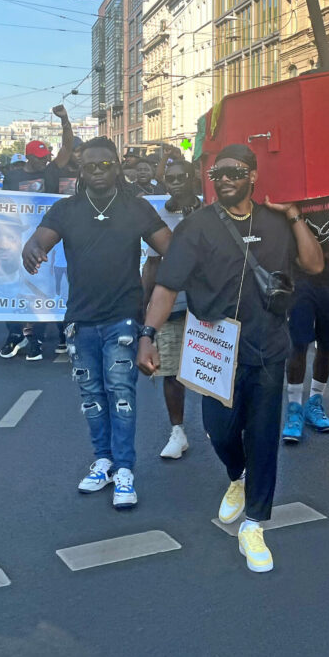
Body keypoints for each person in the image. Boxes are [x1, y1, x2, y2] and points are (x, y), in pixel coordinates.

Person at [139, 144, 323, 572]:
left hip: (269, 344)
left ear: (253, 176)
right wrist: (147, 335)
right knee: (219, 430)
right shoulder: (197, 227)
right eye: (217, 174)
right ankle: (237, 475)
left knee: (263, 435)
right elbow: (167, 285)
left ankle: (255, 523)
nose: (223, 180)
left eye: (234, 172)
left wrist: (295, 215)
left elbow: (313, 265)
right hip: (214, 347)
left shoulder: (278, 221)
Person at [23, 137, 171, 510]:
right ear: (81, 170)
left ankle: (124, 470)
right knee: (92, 397)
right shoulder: (66, 209)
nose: (98, 172)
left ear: (117, 167)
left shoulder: (135, 208)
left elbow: (173, 248)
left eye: (106, 165)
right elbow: (41, 238)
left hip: (123, 316)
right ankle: (103, 461)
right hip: (80, 319)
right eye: (91, 166)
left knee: (121, 395)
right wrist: (33, 247)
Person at [139, 157, 201, 459]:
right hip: (172, 304)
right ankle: (177, 432)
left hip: (208, 304)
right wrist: (145, 304)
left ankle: (221, 427)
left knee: (214, 369)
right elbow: (152, 263)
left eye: (181, 177)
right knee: (171, 372)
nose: (175, 183)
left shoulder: (209, 208)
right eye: (170, 178)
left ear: (194, 178)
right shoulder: (160, 215)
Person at [282, 192, 329, 443]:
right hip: (300, 278)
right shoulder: (294, 186)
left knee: (327, 343)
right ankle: (294, 408)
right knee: (298, 342)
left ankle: (315, 402)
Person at [1, 128, 73, 360]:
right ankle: (16, 334)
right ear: (28, 157)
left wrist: (64, 120)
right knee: (16, 286)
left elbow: (68, 147)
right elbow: (3, 205)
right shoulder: (12, 177)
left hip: (47, 237)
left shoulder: (51, 172)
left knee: (42, 285)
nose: (45, 161)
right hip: (20, 237)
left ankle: (37, 339)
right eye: (40, 158)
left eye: (46, 157)